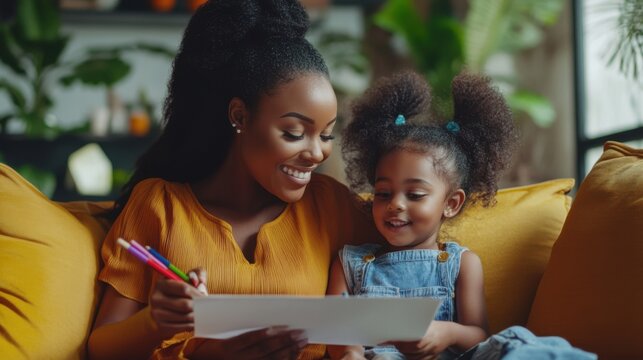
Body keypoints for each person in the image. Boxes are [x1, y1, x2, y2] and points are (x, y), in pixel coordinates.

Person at [87, 1, 379, 359]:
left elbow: (413, 269)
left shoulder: (331, 206)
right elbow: (100, 349)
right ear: (239, 115)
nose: (317, 153)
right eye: (294, 133)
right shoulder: (159, 206)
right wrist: (155, 323)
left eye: (326, 135)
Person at [326, 71, 519, 360]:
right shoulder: (350, 264)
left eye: (414, 195)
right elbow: (335, 328)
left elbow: (478, 335)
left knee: (518, 343)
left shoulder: (462, 264)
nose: (396, 205)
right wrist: (350, 354)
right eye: (383, 193)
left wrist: (446, 333)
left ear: (451, 203)